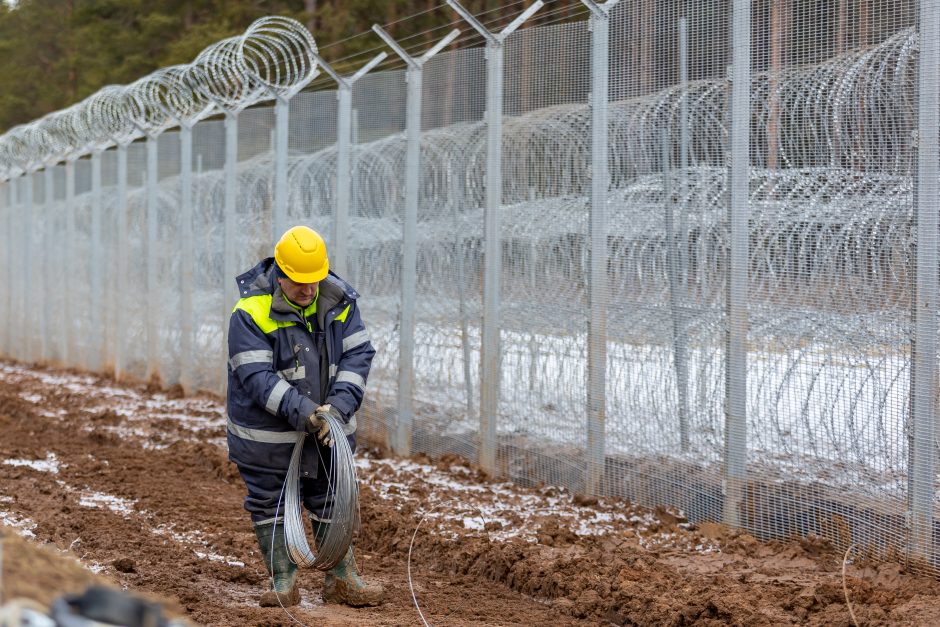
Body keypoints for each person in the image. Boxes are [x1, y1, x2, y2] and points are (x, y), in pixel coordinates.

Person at [226, 225, 384, 607]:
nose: (309, 290)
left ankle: (342, 579)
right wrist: (306, 412)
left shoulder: (340, 301)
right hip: (268, 439)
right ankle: (283, 581)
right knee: (271, 502)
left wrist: (338, 408)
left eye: (315, 281)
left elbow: (357, 356)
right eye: (299, 283)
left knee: (332, 496)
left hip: (328, 429)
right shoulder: (250, 312)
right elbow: (257, 378)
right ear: (279, 274)